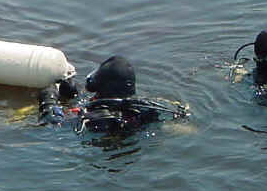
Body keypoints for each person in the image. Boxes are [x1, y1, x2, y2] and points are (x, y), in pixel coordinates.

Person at [38, 55, 188, 133]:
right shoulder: (141, 110)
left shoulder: (90, 115)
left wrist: (48, 97)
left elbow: (53, 122)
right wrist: (73, 93)